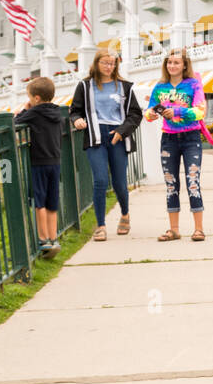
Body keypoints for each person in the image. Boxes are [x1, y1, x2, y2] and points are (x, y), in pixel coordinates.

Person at [70, 49, 141, 241]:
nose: (109, 67)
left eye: (113, 63)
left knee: (119, 182)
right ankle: (100, 225)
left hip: (118, 136)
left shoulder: (125, 87)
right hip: (95, 137)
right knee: (100, 180)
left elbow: (135, 115)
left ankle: (125, 214)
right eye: (105, 63)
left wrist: (121, 131)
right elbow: (74, 111)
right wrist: (76, 120)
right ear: (96, 63)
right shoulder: (85, 86)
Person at [145, 49, 207, 242]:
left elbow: (200, 111)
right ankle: (174, 229)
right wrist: (152, 114)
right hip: (169, 140)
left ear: (185, 65)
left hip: (191, 138)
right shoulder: (160, 86)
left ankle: (199, 229)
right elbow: (149, 111)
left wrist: (177, 111)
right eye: (169, 62)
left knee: (193, 181)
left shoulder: (194, 85)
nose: (172, 66)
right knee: (171, 183)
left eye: (176, 63)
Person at [15, 76, 64, 259]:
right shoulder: (58, 112)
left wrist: (24, 109)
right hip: (55, 161)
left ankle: (43, 240)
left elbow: (15, 123)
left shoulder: (35, 113)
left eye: (29, 97)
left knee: (39, 202)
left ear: (35, 98)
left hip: (39, 162)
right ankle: (54, 238)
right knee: (52, 202)